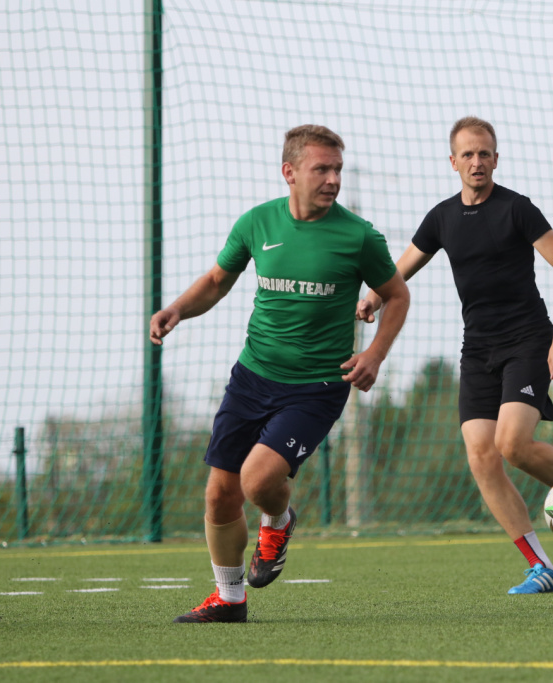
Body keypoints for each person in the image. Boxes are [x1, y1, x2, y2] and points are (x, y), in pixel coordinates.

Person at [150, 124, 410, 622]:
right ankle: (229, 599)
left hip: (316, 386)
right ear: (289, 172)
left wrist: (375, 354)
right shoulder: (257, 222)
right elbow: (216, 280)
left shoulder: (359, 236)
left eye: (337, 169)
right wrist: (177, 309)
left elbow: (397, 295)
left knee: (258, 479)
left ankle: (278, 520)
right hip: (252, 377)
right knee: (219, 494)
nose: (333, 179)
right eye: (322, 169)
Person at [356, 116, 553, 595]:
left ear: (496, 159)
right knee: (481, 456)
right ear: (453, 162)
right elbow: (400, 269)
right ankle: (543, 567)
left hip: (529, 342)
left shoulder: (517, 209)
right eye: (468, 154)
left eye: (485, 153)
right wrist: (373, 296)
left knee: (512, 444)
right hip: (477, 350)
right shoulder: (442, 218)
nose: (477, 161)